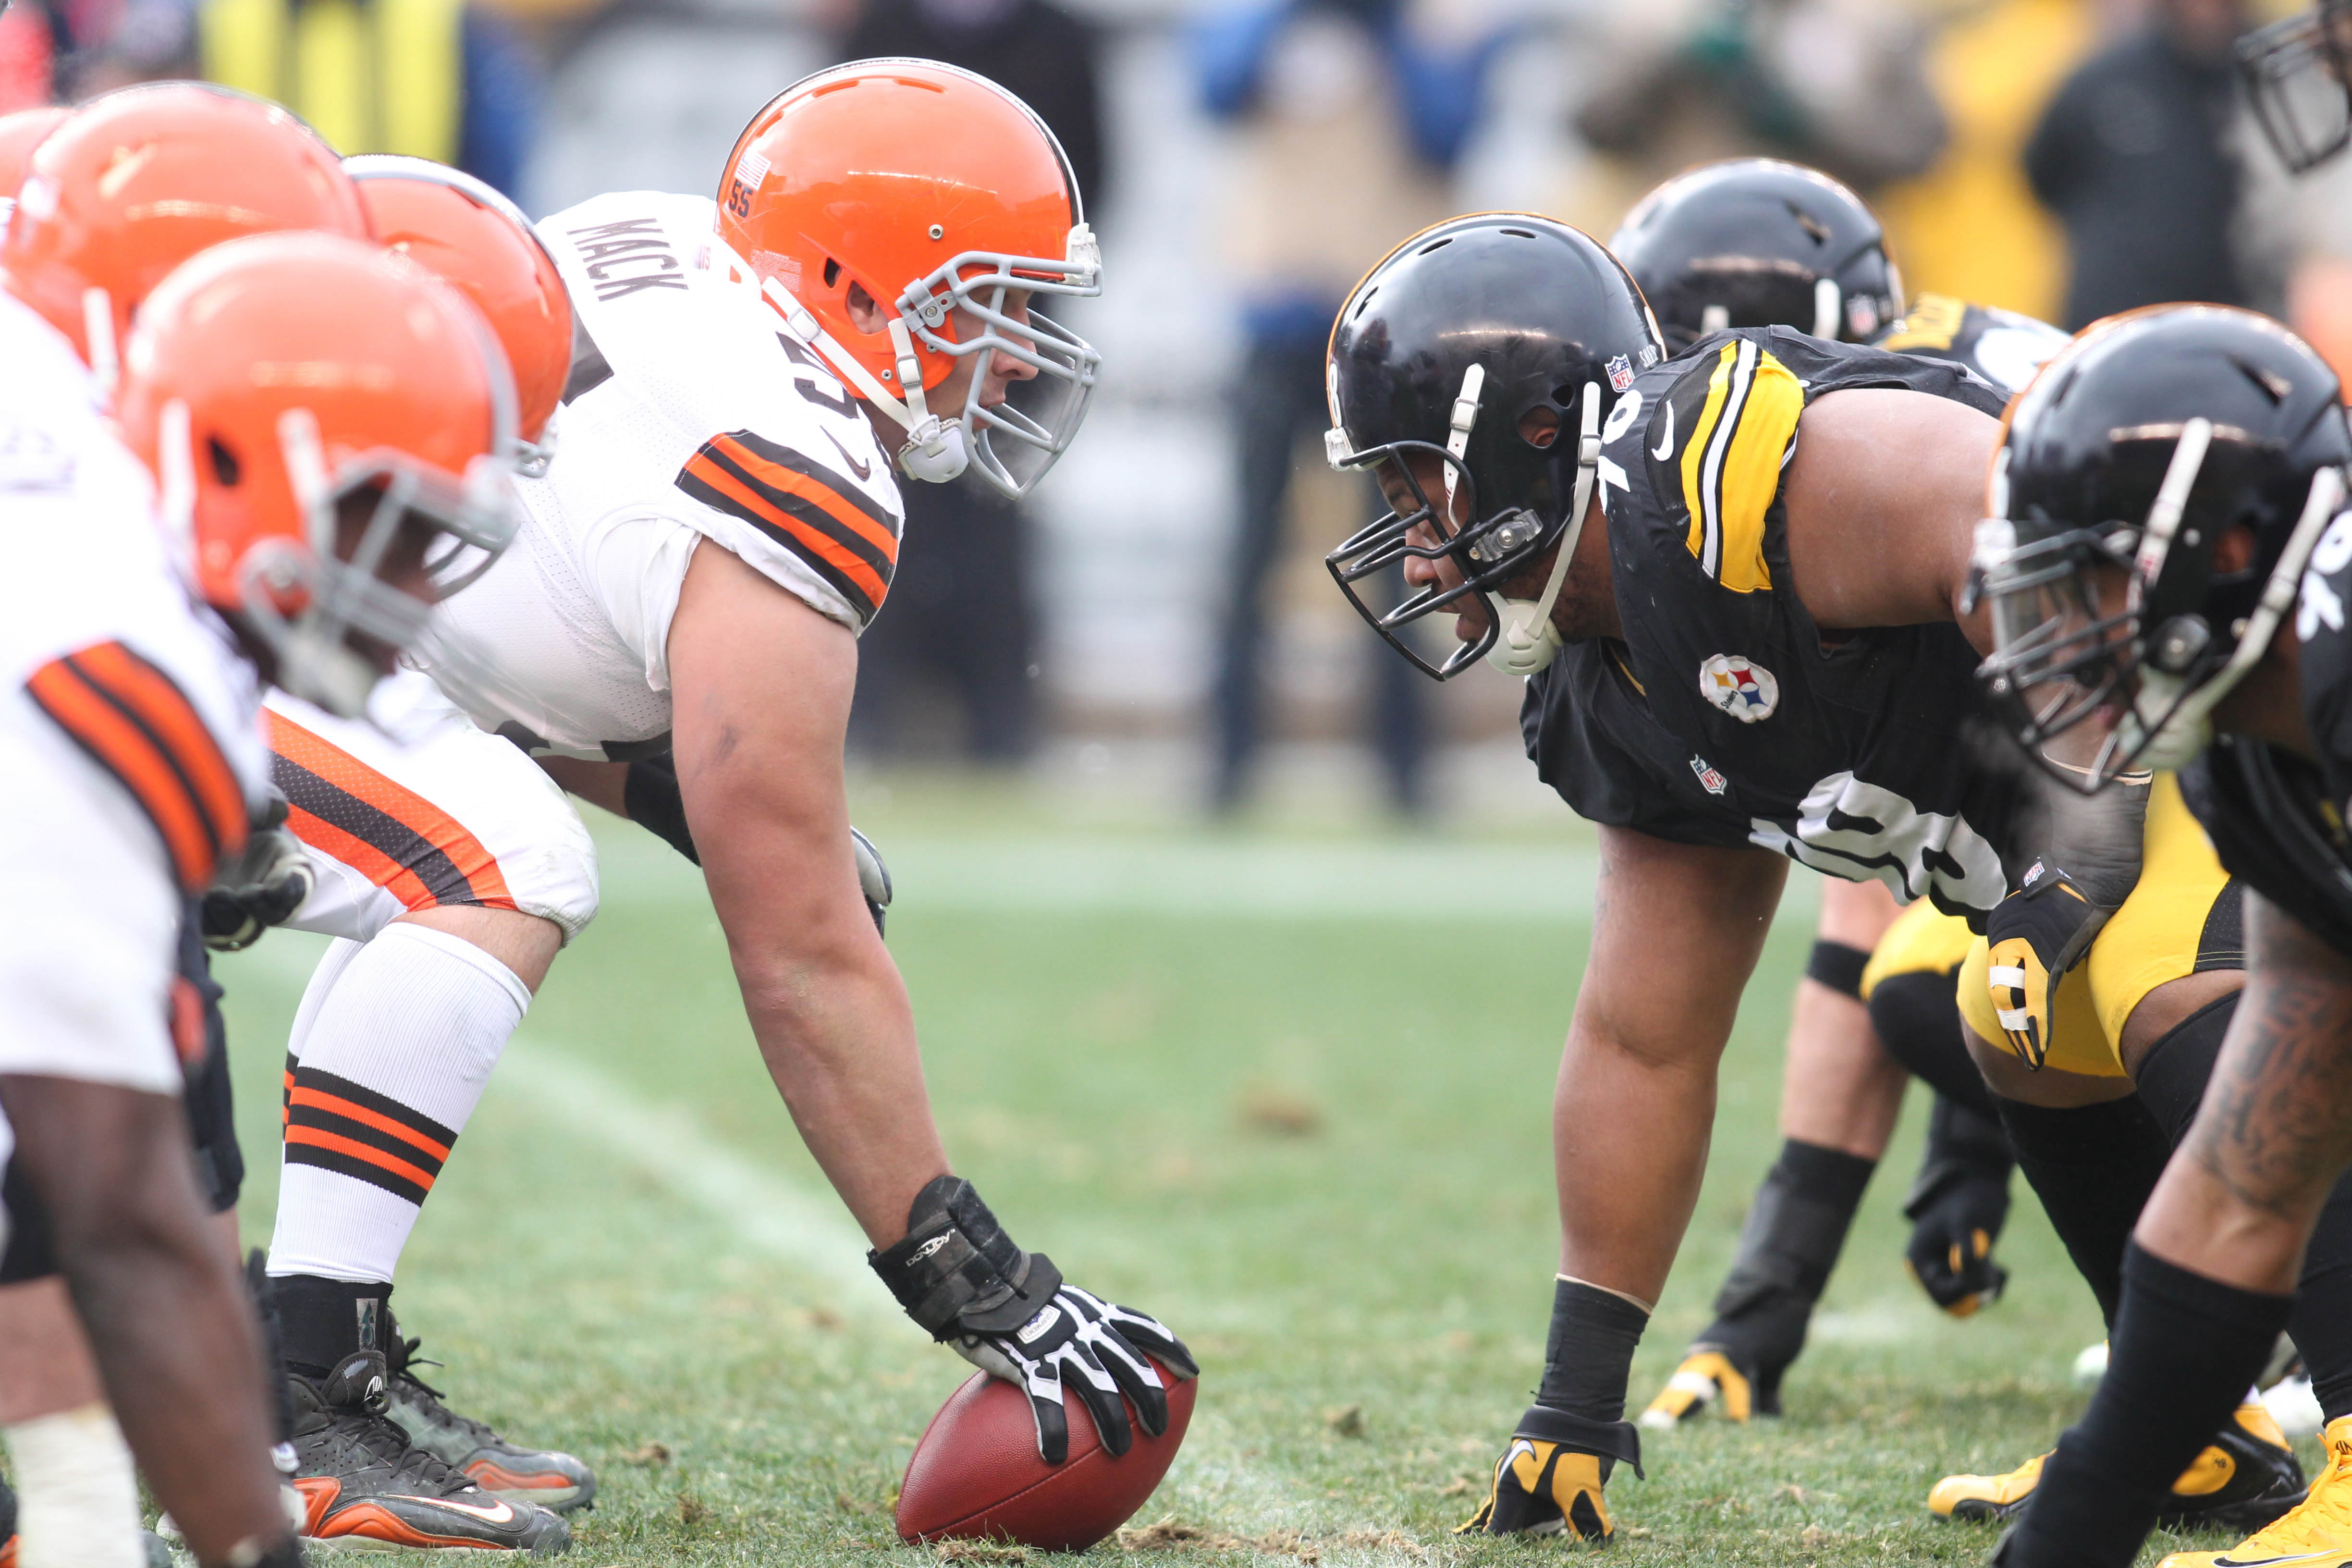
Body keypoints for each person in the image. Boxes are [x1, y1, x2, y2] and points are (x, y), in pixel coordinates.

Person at [221, 61, 1195, 1525]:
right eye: (989, 304)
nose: (1013, 359)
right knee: (504, 866)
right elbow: (800, 946)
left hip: (272, 599)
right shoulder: (795, 468)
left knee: (494, 839)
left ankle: (308, 1362)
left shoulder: (674, 240)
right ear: (860, 279)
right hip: (202, 627)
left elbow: (488, 626)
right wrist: (965, 1268)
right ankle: (287, 1398)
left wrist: (647, 781)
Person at [1320, 212, 2289, 1540]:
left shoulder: (1720, 475)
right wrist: (1576, 1398)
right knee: (2012, 1016)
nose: (1409, 541)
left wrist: (2085, 844)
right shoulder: (1605, 689)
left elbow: (2022, 516)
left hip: (2245, 727)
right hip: (2135, 787)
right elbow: (1645, 1038)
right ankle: (2199, 1419)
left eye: (1414, 485)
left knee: (2137, 966)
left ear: (1527, 435)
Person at [0, 110, 524, 1568]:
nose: (414, 589)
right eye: (393, 528)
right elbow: (126, 1216)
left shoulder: (78, 440)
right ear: (236, 454)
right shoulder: (117, 668)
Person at [1606, 159, 2069, 1430]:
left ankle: (2273, 1333)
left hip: (2259, 793)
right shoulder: (1936, 388)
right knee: (1936, 976)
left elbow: (2037, 812)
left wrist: (1973, 1133)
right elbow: (1945, 858)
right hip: (2146, 804)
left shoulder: (1905, 457)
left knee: (1932, 986)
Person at [1965, 305, 2352, 1568]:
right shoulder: (2254, 752)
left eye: (2088, 573)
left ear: (2230, 546)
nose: (2056, 625)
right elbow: (2249, 1184)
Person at [1195, 0, 1510, 814]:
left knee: (1416, 547)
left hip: (1392, 326)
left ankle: (1406, 774)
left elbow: (1448, 127)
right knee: (1249, 550)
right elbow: (1213, 90)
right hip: (1279, 310)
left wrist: (1386, 25)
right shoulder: (1268, 17)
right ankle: (1225, 766)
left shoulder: (1438, 21)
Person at [833, 0, 1107, 761]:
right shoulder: (880, 30)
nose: (1020, 354)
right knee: (873, 511)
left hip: (952, 313)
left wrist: (1004, 304)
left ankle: (998, 721)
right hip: (896, 320)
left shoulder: (1058, 37)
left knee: (990, 516)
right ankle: (872, 710)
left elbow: (1090, 189)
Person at [2027, 0, 2266, 329]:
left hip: (2242, 309)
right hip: (2118, 312)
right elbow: (2042, 171)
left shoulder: (2273, 73)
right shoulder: (2107, 79)